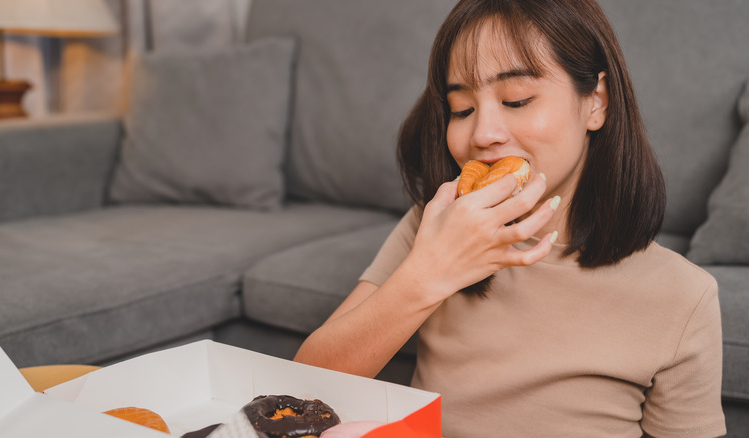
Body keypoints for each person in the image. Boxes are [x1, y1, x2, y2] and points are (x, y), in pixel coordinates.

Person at [295, 0, 726, 436]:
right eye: (462, 109)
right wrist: (428, 274)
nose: (483, 134)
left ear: (596, 102)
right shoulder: (436, 227)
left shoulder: (683, 297)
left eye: (517, 100)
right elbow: (301, 392)